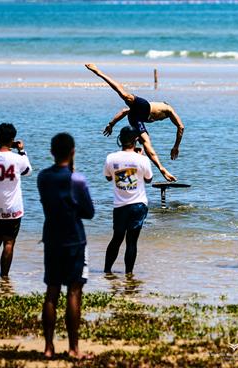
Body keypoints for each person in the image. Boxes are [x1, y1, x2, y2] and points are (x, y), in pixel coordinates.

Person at [37, 133, 95, 359]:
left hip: (51, 237)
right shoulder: (77, 179)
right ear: (72, 152)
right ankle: (73, 349)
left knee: (51, 291)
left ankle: (48, 348)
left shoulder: (43, 177)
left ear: (52, 152)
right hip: (74, 239)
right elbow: (89, 212)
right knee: (74, 290)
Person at [85, 63, 183, 182]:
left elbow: (125, 111)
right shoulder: (167, 108)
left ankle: (161, 169)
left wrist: (111, 124)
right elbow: (181, 127)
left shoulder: (166, 113)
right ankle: (98, 72)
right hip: (144, 108)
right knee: (125, 95)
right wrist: (176, 147)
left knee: (147, 143)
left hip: (137, 118)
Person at [0, 123, 32, 278]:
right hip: (13, 209)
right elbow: (28, 171)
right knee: (9, 243)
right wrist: (22, 150)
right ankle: (4, 277)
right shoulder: (18, 158)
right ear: (12, 140)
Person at [103, 126, 153, 274]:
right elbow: (149, 179)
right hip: (138, 205)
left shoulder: (110, 158)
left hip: (119, 205)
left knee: (116, 238)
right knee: (131, 242)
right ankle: (129, 274)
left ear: (120, 139)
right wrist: (140, 158)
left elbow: (108, 177)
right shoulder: (142, 160)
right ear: (136, 140)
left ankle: (107, 271)